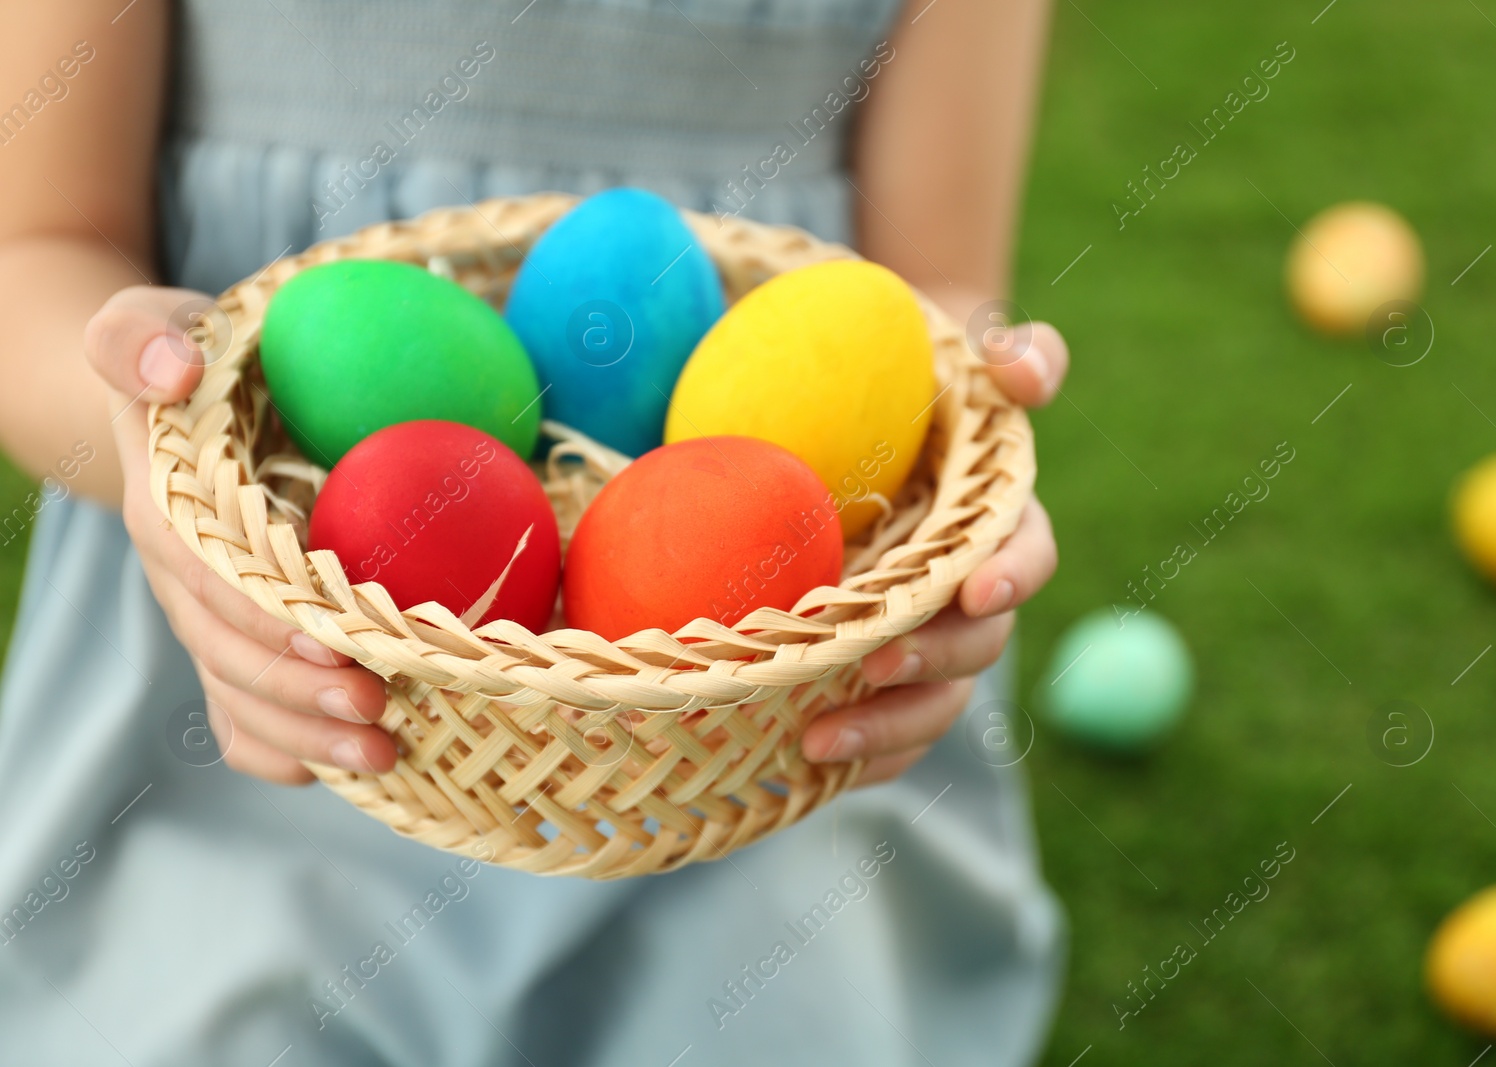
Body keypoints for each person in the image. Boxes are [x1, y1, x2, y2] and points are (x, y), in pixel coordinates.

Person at [0, 1, 1067, 1064]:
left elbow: (927, 294)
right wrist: (152, 428)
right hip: (260, 670)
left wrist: (972, 392)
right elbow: (38, 247)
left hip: (752, 708)